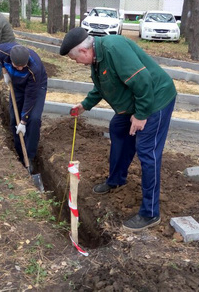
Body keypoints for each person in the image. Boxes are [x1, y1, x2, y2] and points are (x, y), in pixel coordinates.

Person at [60, 27, 177, 231]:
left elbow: (142, 81)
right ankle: (116, 179)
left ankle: (150, 213)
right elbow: (103, 86)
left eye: (74, 59)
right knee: (117, 127)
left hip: (155, 99)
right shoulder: (98, 59)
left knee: (147, 151)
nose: (76, 63)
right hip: (137, 101)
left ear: (84, 51)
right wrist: (85, 105)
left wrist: (141, 115)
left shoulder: (114, 48)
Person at [0, 43, 47, 167]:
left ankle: (29, 156)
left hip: (36, 87)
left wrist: (24, 121)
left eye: (22, 66)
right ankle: (19, 153)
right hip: (17, 86)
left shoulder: (34, 67)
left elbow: (30, 97)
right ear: (11, 59)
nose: (20, 68)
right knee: (14, 118)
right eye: (16, 66)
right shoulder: (3, 51)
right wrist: (5, 73)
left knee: (33, 119)